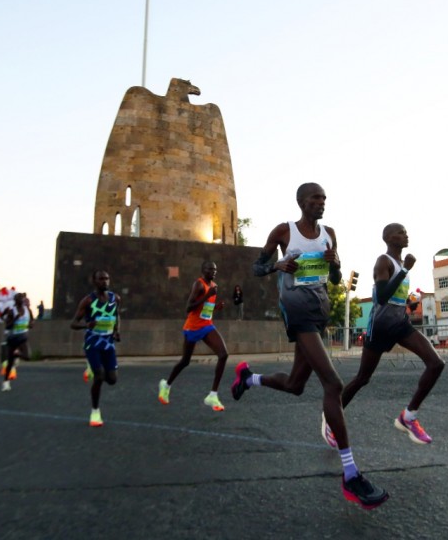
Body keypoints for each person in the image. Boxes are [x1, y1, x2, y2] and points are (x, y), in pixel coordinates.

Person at [229, 182, 388, 510]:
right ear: (302, 202)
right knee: (333, 383)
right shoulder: (283, 232)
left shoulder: (330, 233)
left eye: (324, 199)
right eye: (316, 198)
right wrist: (277, 264)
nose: (322, 203)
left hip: (318, 310)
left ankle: (249, 378)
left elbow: (334, 277)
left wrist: (333, 263)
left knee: (295, 385)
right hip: (296, 311)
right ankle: (350, 474)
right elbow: (257, 267)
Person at [329, 223, 445, 451]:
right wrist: (405, 270)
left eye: (405, 231)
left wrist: (409, 303)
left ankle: (409, 416)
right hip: (380, 326)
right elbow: (381, 297)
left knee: (436, 363)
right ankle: (332, 417)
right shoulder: (384, 262)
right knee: (363, 378)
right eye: (400, 232)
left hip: (400, 324)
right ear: (388, 238)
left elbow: (396, 297)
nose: (406, 234)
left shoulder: (401, 264)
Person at [158, 261, 229, 412]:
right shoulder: (199, 284)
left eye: (215, 269)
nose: (213, 271)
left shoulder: (214, 286)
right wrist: (206, 296)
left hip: (206, 325)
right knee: (185, 361)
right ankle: (166, 384)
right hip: (192, 327)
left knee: (223, 354)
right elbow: (189, 307)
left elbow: (205, 309)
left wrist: (216, 307)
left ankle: (213, 395)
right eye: (210, 269)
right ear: (203, 270)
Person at [70, 270, 121, 427]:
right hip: (92, 343)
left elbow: (117, 315)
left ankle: (93, 369)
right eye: (101, 279)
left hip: (108, 343)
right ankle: (95, 412)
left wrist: (117, 330)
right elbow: (73, 323)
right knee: (99, 377)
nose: (104, 281)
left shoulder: (115, 298)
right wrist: (87, 325)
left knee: (112, 380)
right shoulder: (87, 301)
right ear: (94, 281)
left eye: (107, 278)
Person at [1, 293, 34, 391]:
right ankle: (6, 382)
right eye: (18, 299)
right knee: (10, 363)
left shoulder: (28, 310)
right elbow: (7, 326)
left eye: (22, 299)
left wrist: (31, 324)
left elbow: (32, 320)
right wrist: (15, 319)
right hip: (13, 338)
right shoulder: (12, 311)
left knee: (28, 357)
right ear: (15, 301)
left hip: (23, 337)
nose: (21, 301)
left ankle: (17, 353)